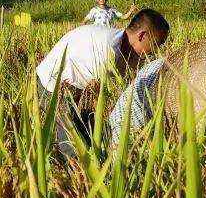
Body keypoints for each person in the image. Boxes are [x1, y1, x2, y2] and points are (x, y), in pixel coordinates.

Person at [34, 9, 169, 156]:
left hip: (78, 89)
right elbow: (92, 103)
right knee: (75, 145)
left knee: (96, 137)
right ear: (142, 36)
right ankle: (75, 174)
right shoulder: (106, 52)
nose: (157, 50)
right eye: (158, 43)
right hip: (53, 85)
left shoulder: (131, 52)